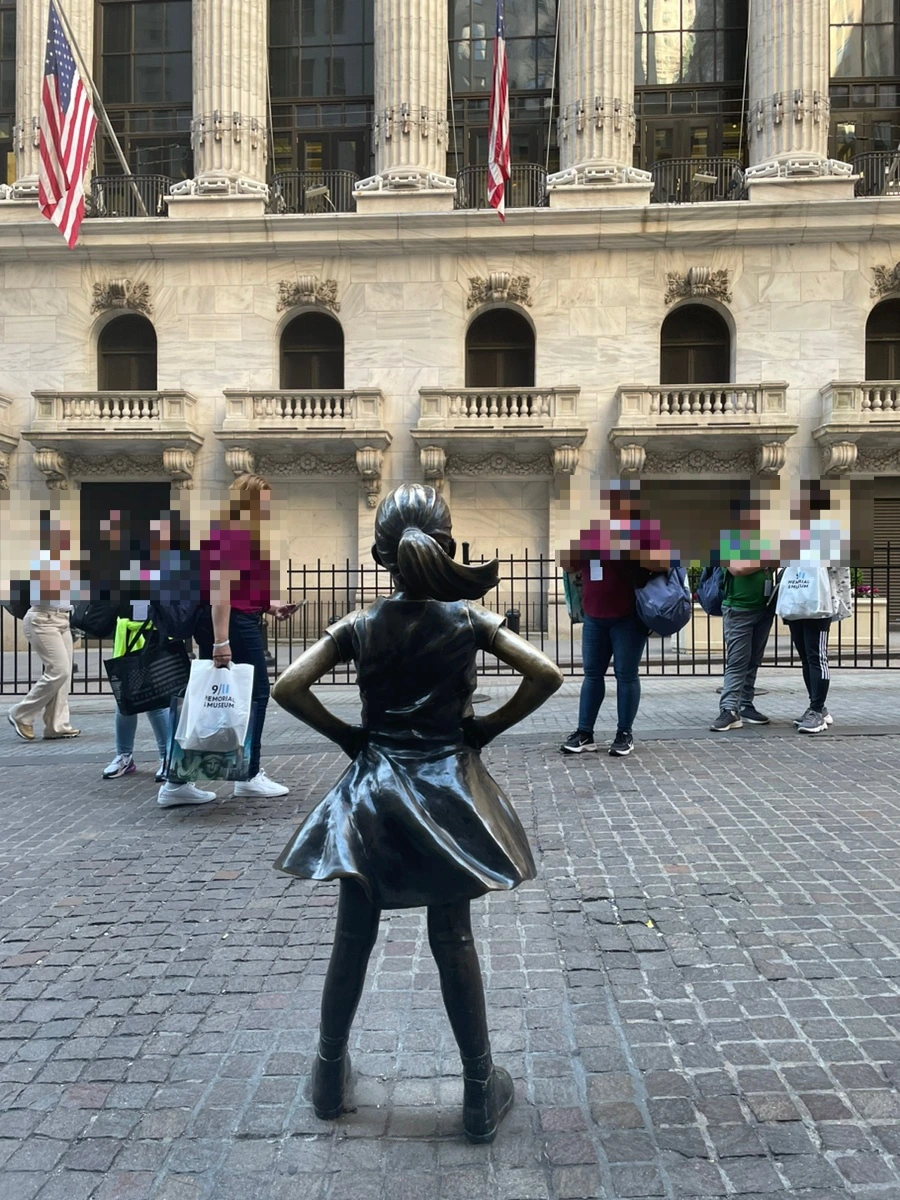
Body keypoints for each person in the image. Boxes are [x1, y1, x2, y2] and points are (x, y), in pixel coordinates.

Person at [271, 484, 562, 1142]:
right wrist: (484, 729)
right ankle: (479, 1089)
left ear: (381, 556)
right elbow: (545, 674)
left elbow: (289, 687)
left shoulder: (360, 625)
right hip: (446, 790)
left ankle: (328, 1076)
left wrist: (349, 739)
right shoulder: (467, 620)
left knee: (352, 936)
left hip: (372, 793)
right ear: (448, 545)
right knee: (453, 937)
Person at [103, 510, 215, 807]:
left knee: (159, 700)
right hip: (129, 634)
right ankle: (125, 755)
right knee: (125, 699)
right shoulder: (137, 563)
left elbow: (182, 607)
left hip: (161, 637)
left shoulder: (181, 564)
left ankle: (167, 757)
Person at [197, 474, 296, 799]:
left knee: (208, 700)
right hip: (236, 625)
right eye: (262, 501)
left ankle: (178, 781)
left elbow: (242, 588)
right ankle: (249, 775)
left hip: (239, 620)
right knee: (256, 695)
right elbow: (220, 591)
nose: (268, 507)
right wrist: (221, 641)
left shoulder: (238, 534)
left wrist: (270, 606)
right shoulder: (233, 534)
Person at [560, 481, 672, 757]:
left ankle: (624, 733)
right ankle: (584, 733)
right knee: (592, 675)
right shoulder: (592, 532)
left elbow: (663, 563)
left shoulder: (644, 532)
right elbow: (567, 564)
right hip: (594, 616)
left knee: (626, 675)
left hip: (628, 617)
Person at [780, 481, 852, 734]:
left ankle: (817, 710)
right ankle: (818, 708)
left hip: (819, 602)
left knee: (816, 655)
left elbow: (839, 568)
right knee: (806, 656)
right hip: (796, 602)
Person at [710, 488, 780, 732]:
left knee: (753, 660)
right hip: (738, 608)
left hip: (764, 606)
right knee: (738, 661)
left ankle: (745, 705)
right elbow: (737, 568)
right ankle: (729, 709)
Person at [8, 514, 80, 742]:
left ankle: (56, 725)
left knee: (63, 676)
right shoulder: (40, 559)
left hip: (62, 619)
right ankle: (21, 713)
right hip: (42, 619)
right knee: (59, 670)